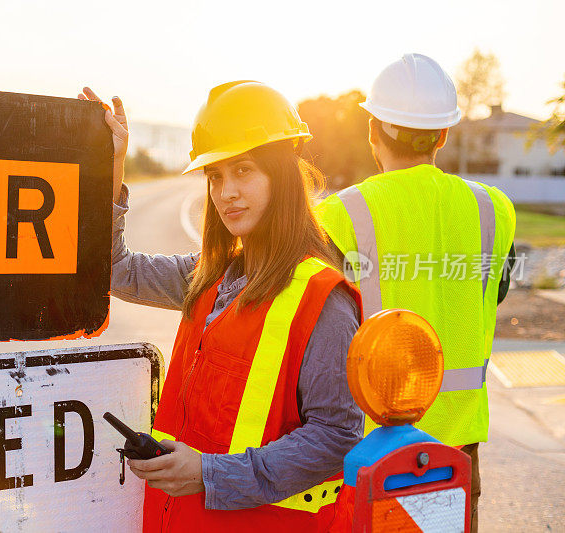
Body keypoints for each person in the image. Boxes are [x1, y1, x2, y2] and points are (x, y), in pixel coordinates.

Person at [78, 81, 363, 531]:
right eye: (215, 177)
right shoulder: (212, 274)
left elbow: (337, 437)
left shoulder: (323, 299)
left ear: (283, 174)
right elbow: (115, 270)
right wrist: (111, 162)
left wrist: (210, 475)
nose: (226, 191)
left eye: (244, 170)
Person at [315, 53, 516, 532]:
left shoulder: (341, 214)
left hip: (367, 450)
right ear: (443, 135)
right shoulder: (495, 209)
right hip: (457, 455)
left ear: (372, 132)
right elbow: (495, 292)